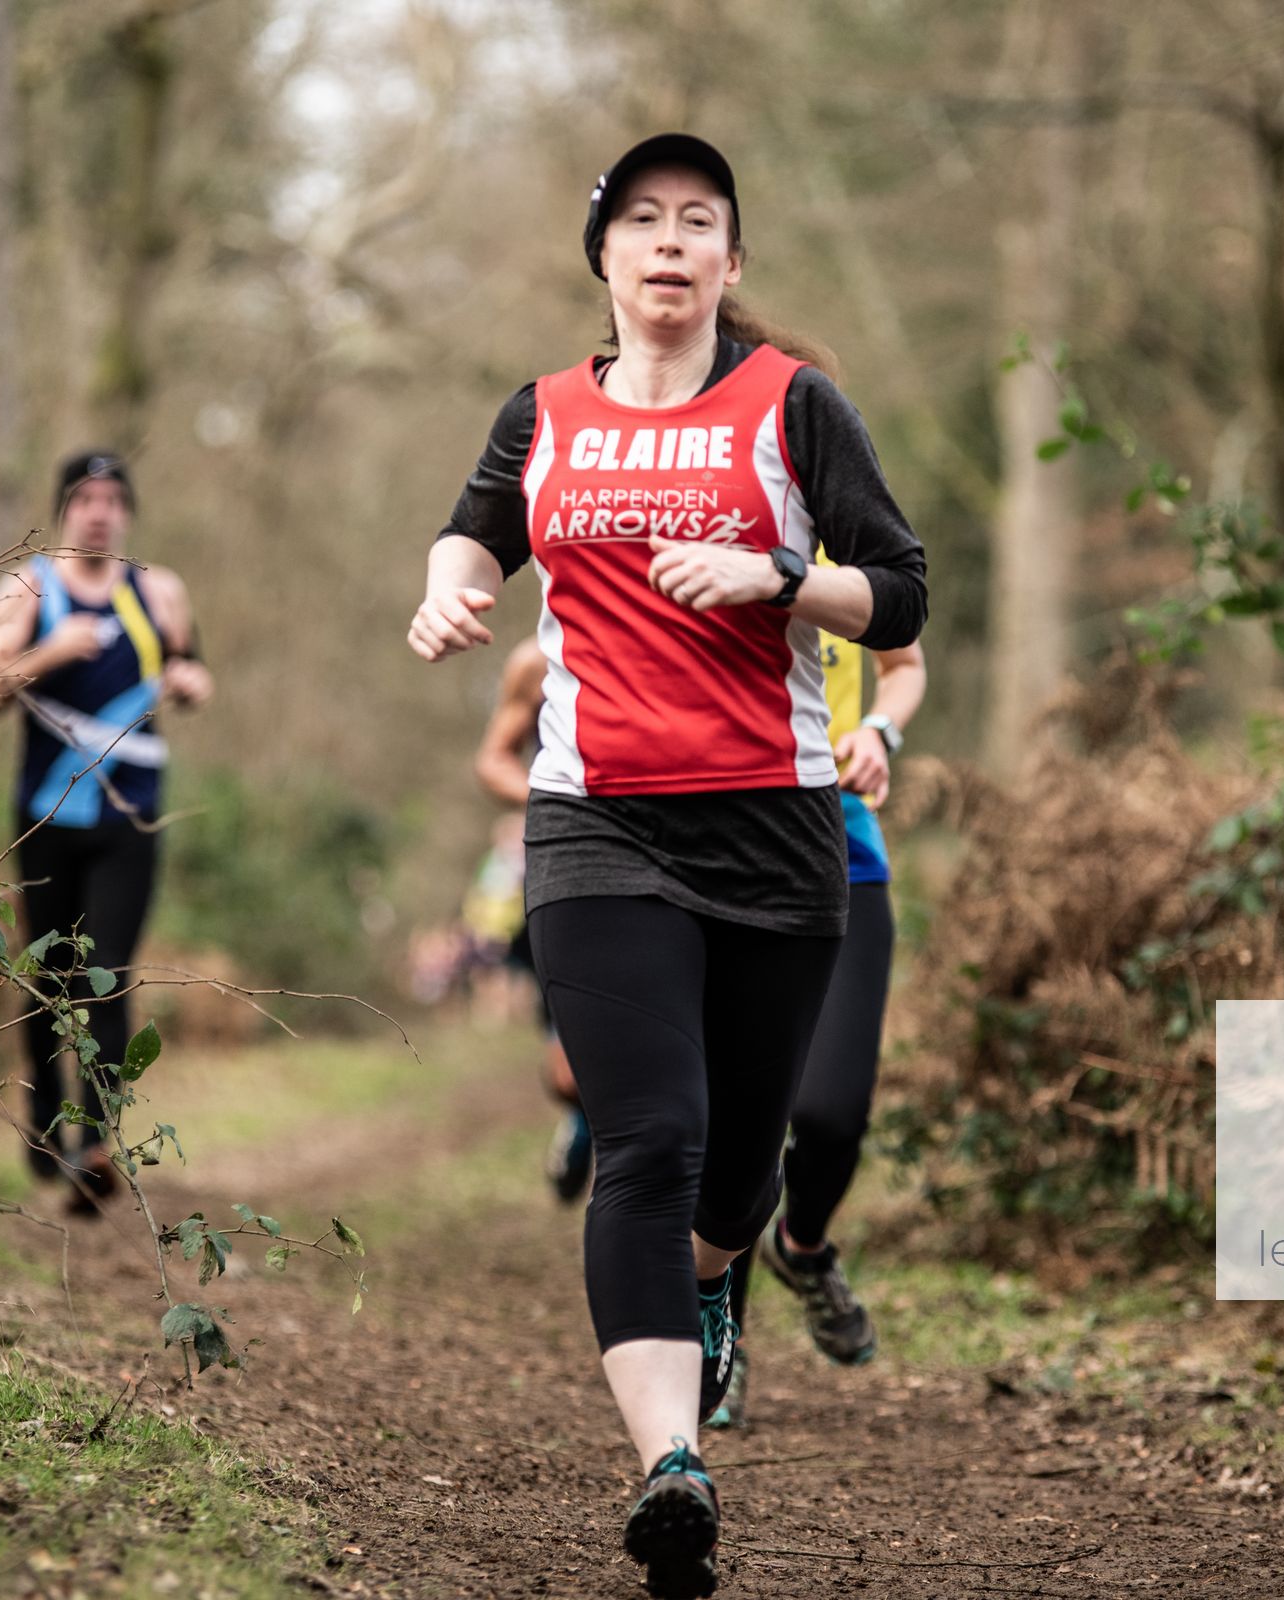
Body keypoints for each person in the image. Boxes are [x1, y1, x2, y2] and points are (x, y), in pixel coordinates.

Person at [407, 134, 926, 1600]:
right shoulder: (546, 413)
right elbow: (473, 535)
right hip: (598, 822)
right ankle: (671, 1464)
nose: (671, 241)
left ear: (731, 262)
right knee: (648, 1142)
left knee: (739, 1175)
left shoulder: (794, 405)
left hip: (776, 827)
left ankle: (722, 1286)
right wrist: (449, 592)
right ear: (607, 260)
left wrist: (781, 577)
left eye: (700, 220)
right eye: (643, 220)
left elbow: (901, 592)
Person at [0, 451, 214, 1213]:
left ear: (127, 512)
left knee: (107, 972)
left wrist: (191, 683)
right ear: (64, 510)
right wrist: (50, 652)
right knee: (49, 974)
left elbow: (190, 668)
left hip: (131, 815)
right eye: (84, 498)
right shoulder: (27, 588)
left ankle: (95, 1145)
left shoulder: (159, 591)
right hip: (46, 814)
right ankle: (44, 1126)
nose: (99, 512)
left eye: (112, 499)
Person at [709, 625, 926, 1430]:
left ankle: (801, 1245)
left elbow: (904, 663)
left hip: (841, 844)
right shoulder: (682, 551)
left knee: (833, 1112)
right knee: (735, 1114)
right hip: (715, 844)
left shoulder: (846, 560)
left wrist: (878, 730)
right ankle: (721, 1340)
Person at [472, 638, 592, 1203]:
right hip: (567, 867)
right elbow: (493, 759)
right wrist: (554, 800)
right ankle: (585, 1120)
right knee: (568, 1077)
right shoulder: (536, 660)